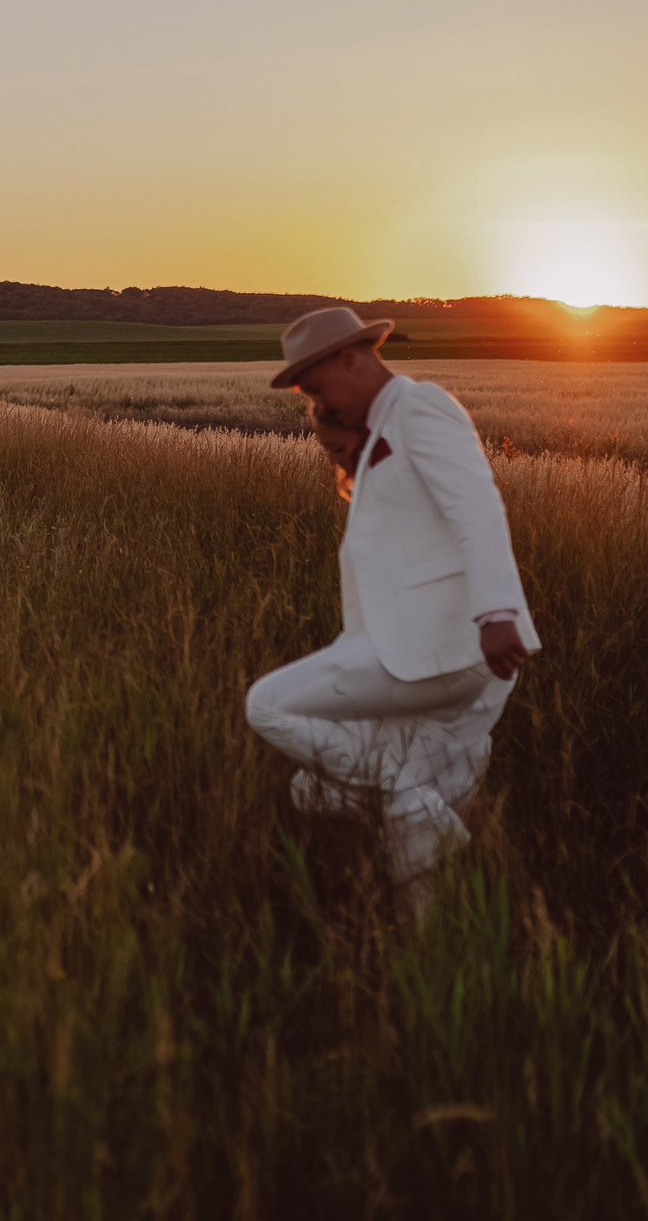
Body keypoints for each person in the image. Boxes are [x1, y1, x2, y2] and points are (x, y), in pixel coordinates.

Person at [245, 307, 540, 907]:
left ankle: (413, 798)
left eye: (317, 386)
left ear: (350, 358)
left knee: (266, 706)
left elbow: (476, 506)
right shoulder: (377, 433)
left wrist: (496, 612)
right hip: (411, 651)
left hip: (444, 650)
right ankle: (429, 937)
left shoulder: (420, 408)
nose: (318, 402)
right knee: (313, 790)